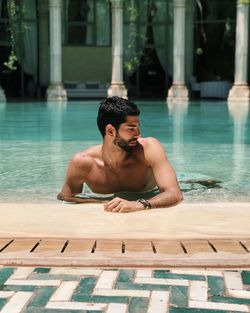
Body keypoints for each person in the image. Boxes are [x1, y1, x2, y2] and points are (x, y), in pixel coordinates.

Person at [57, 96, 183, 213]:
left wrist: (139, 204)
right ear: (111, 131)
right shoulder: (82, 163)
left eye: (138, 126)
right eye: (131, 128)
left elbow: (174, 194)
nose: (139, 134)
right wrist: (103, 202)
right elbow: (66, 197)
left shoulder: (149, 149)